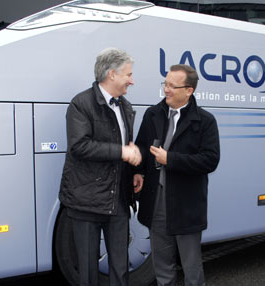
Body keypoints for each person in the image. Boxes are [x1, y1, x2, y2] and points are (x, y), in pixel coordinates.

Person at [59, 48, 141, 286]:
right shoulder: (81, 103)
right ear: (112, 74)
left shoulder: (125, 106)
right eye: (128, 74)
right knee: (87, 271)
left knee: (120, 267)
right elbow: (79, 146)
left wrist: (134, 172)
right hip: (86, 200)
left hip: (118, 200)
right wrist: (122, 152)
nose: (132, 80)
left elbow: (126, 146)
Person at [133, 64, 220, 285]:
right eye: (165, 84)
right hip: (156, 202)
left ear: (189, 90)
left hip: (186, 204)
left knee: (191, 267)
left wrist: (170, 159)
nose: (166, 90)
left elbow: (210, 160)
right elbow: (142, 148)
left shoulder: (205, 121)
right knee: (162, 266)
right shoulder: (153, 114)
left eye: (173, 85)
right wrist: (138, 172)